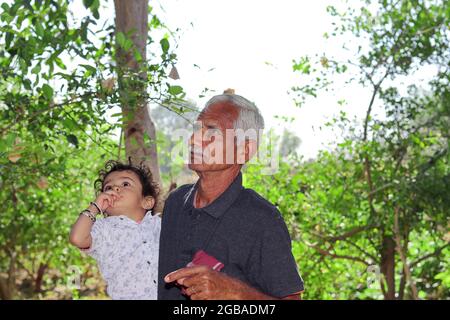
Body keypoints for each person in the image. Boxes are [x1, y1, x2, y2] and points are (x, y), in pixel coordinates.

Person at [158, 91, 304, 300]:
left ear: (244, 150)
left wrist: (234, 292)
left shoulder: (262, 220)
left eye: (211, 131)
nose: (193, 140)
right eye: (196, 129)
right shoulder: (175, 202)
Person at [69, 160, 160, 300]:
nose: (115, 189)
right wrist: (95, 207)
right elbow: (77, 238)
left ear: (146, 202)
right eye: (108, 187)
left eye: (125, 184)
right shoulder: (104, 229)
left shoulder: (158, 225)